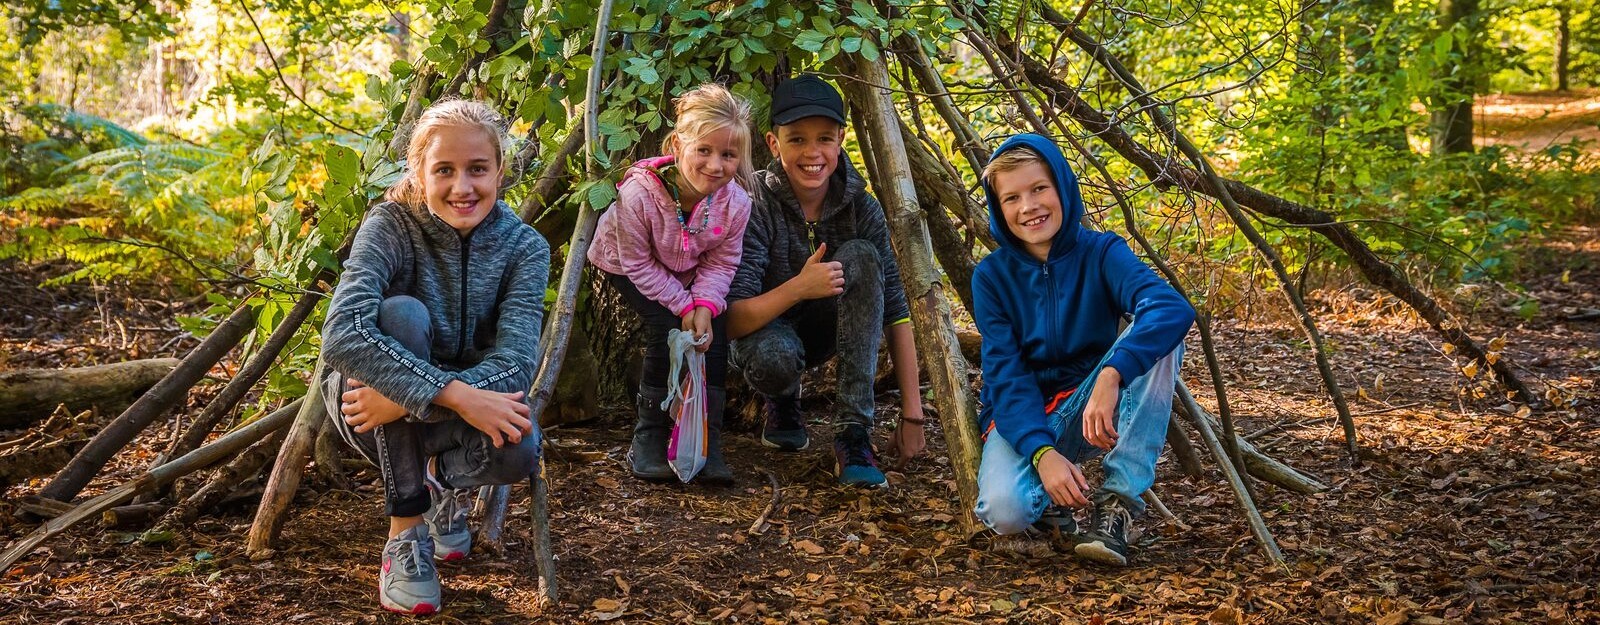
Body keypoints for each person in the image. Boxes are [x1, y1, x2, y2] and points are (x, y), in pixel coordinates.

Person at [320, 99, 551, 614]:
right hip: (364, 406)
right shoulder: (391, 226)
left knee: (519, 448)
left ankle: (439, 481)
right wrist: (455, 395)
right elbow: (341, 333)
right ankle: (406, 530)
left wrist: (412, 398)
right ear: (417, 169)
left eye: (478, 169)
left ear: (500, 172)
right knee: (400, 316)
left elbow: (515, 362)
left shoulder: (525, 248)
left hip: (403, 404)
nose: (461, 187)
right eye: (443, 170)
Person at [970, 133, 1195, 566]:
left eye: (1039, 188)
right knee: (1006, 512)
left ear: (1062, 186)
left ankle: (1118, 504)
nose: (1029, 206)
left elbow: (1170, 308)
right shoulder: (992, 277)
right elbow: (1006, 376)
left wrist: (1112, 375)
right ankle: (1050, 506)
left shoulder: (1102, 252)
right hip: (1023, 414)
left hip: (1095, 408)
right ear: (999, 209)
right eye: (1012, 197)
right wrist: (1041, 453)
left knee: (1159, 336)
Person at [725, 74, 927, 488]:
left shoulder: (861, 208)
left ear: (840, 140)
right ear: (772, 143)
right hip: (763, 336)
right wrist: (799, 286)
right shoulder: (753, 204)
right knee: (774, 357)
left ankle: (853, 433)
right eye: (796, 139)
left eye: (824, 139)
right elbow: (732, 320)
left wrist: (913, 415)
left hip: (829, 330)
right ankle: (782, 400)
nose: (812, 152)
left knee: (862, 254)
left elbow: (896, 311)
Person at [587, 83, 754, 485]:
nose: (716, 165)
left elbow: (722, 260)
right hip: (624, 265)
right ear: (678, 146)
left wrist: (705, 306)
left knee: (714, 332)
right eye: (704, 151)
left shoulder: (736, 204)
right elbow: (638, 263)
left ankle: (707, 442)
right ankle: (650, 434)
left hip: (687, 271)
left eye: (728, 155)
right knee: (665, 327)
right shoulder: (638, 195)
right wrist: (682, 307)